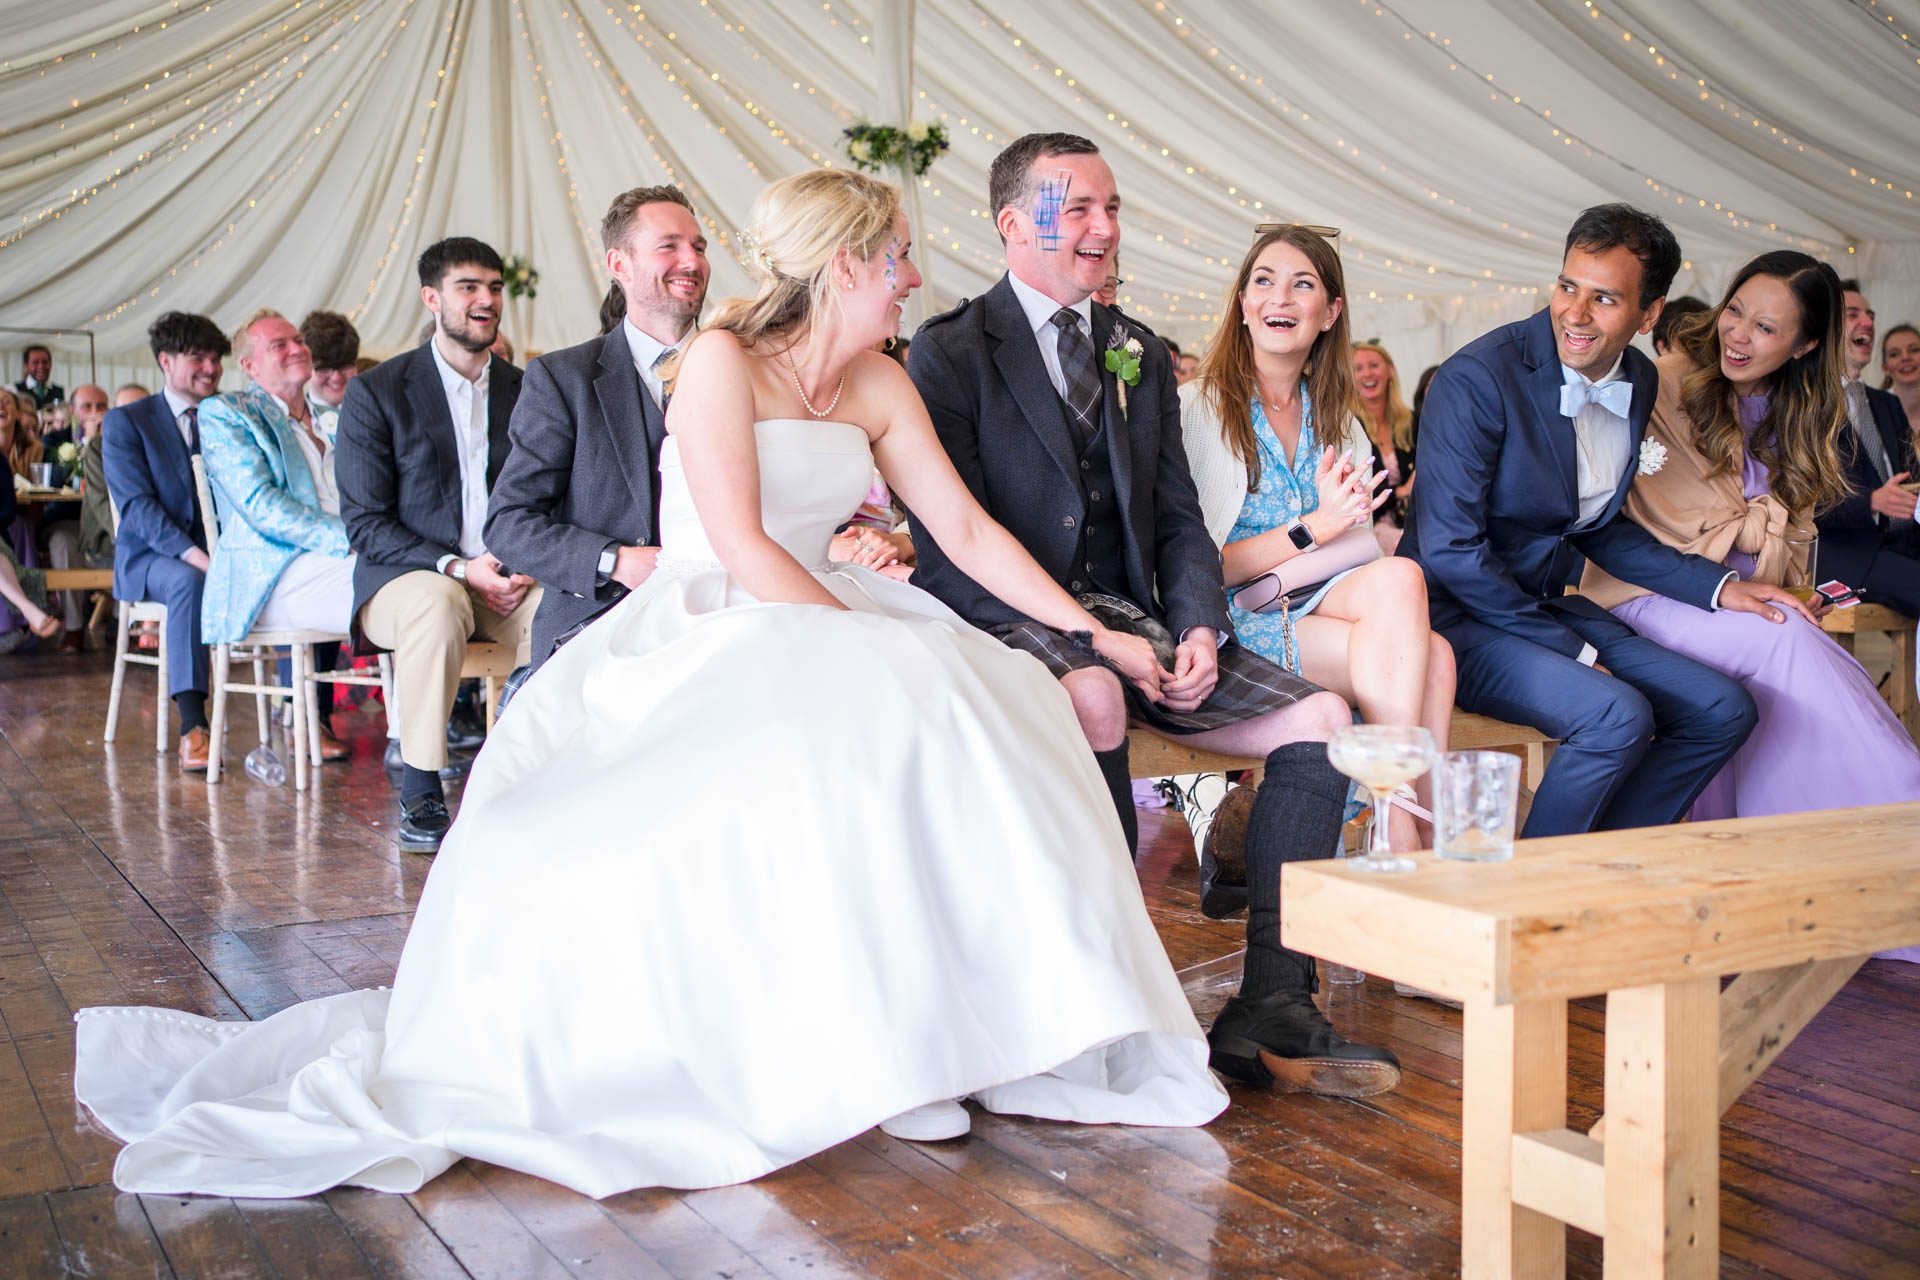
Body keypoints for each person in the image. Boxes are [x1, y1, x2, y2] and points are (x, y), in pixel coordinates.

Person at [71, 166, 1227, 1200]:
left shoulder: (879, 378)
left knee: (1012, 697)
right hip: (725, 606)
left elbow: (965, 528)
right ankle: (871, 1054)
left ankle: (966, 1034)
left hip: (826, 601)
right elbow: (740, 539)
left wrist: (1095, 635)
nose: (912, 277)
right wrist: (872, 645)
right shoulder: (721, 359)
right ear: (844, 265)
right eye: (896, 259)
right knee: (895, 703)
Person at [908, 131, 1400, 1096]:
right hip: (1006, 616)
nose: (1104, 228)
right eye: (1077, 209)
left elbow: (1178, 519)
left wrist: (1202, 626)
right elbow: (951, 544)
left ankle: (1272, 1003)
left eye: (1113, 207)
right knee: (1093, 696)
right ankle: (1094, 996)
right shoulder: (950, 349)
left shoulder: (1132, 349)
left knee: (1325, 723)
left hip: (1139, 617)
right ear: (1013, 224)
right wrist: (1101, 641)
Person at [1399, 203, 1809, 839]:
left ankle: (1607, 870)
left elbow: (1597, 527)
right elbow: (1452, 550)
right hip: (1454, 618)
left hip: (1544, 606)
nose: (1576, 314)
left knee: (1722, 709)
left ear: (1649, 315)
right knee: (1617, 715)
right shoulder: (1477, 378)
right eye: (1568, 287)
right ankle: (1535, 902)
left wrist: (1719, 586)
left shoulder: (1639, 379)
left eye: (1605, 299)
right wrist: (1575, 651)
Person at [1581, 252, 1920, 814]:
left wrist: (1795, 586)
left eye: (1765, 328)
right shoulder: (1662, 383)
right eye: (1733, 311)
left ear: (1804, 346)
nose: (1736, 336)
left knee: (1793, 639)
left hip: (1753, 603)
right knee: (1786, 639)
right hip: (1652, 593)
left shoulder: (1805, 409)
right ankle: (1898, 801)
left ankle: (1787, 835)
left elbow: (1799, 527)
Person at [1181, 225, 1455, 852]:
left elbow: (1352, 558)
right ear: (1243, 304)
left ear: (1329, 312)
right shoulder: (1195, 410)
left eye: (1302, 284)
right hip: (1238, 620)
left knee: (1420, 620)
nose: (1281, 297)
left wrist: (1343, 530)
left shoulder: (1336, 420)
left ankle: (1399, 824)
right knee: (1426, 644)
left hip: (1321, 605)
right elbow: (1197, 567)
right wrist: (1312, 528)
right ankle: (1407, 831)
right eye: (1264, 282)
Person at [337, 237, 534, 853]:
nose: (486, 300)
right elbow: (365, 523)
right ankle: (422, 785)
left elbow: (548, 495)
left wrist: (527, 560)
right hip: (408, 580)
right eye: (469, 288)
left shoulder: (527, 389)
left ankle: (530, 769)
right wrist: (459, 567)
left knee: (574, 598)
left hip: (506, 575)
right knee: (437, 601)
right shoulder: (379, 392)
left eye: (494, 288)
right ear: (432, 298)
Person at [486, 185, 711, 670]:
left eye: (699, 246)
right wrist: (614, 560)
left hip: (724, 618)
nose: (691, 261)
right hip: (600, 623)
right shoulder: (563, 378)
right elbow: (508, 523)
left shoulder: (750, 366)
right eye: (668, 246)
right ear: (619, 265)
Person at [197, 313, 359, 710]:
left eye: (299, 339)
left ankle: (410, 740)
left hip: (340, 562)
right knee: (402, 586)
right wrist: (353, 540)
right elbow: (261, 505)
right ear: (249, 366)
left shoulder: (332, 421)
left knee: (419, 576)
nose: (297, 348)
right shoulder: (227, 413)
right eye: (279, 345)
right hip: (271, 572)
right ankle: (413, 748)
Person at [102, 312, 230, 771]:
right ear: (165, 360)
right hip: (152, 558)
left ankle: (302, 715)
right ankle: (193, 725)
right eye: (198, 357)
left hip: (223, 552)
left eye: (216, 359)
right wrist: (200, 557)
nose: (211, 368)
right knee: (188, 584)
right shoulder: (127, 422)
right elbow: (137, 509)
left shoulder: (227, 417)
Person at [1814, 283, 1920, 617]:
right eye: (1853, 315)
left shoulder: (1886, 403)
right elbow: (1797, 497)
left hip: (1906, 545)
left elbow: (1913, 479)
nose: (1868, 323)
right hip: (1851, 559)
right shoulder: (1808, 403)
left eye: (1871, 316)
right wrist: (1872, 502)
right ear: (1827, 328)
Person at [41, 382, 109, 648]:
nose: (94, 412)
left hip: (104, 519)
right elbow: (53, 480)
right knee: (63, 542)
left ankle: (119, 621)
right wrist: (87, 444)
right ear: (72, 410)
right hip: (66, 517)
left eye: (101, 406)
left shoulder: (118, 438)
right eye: (87, 406)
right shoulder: (56, 440)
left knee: (122, 535)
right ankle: (73, 626)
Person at [1352, 341, 1415, 536]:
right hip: (1369, 525)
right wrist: (1402, 491)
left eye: (1373, 365)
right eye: (1358, 368)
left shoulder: (1412, 421)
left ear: (1390, 371)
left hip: (1414, 517)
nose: (1367, 374)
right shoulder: (1348, 427)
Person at [1883, 323, 1920, 438]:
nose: (1905, 357)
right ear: (1885, 368)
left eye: (1914, 350)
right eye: (1894, 354)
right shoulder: (1871, 413)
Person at [14, 343, 64, 408]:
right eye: (35, 362)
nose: (41, 366)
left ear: (51, 364)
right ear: (26, 366)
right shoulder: (14, 390)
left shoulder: (63, 392)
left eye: (45, 362)